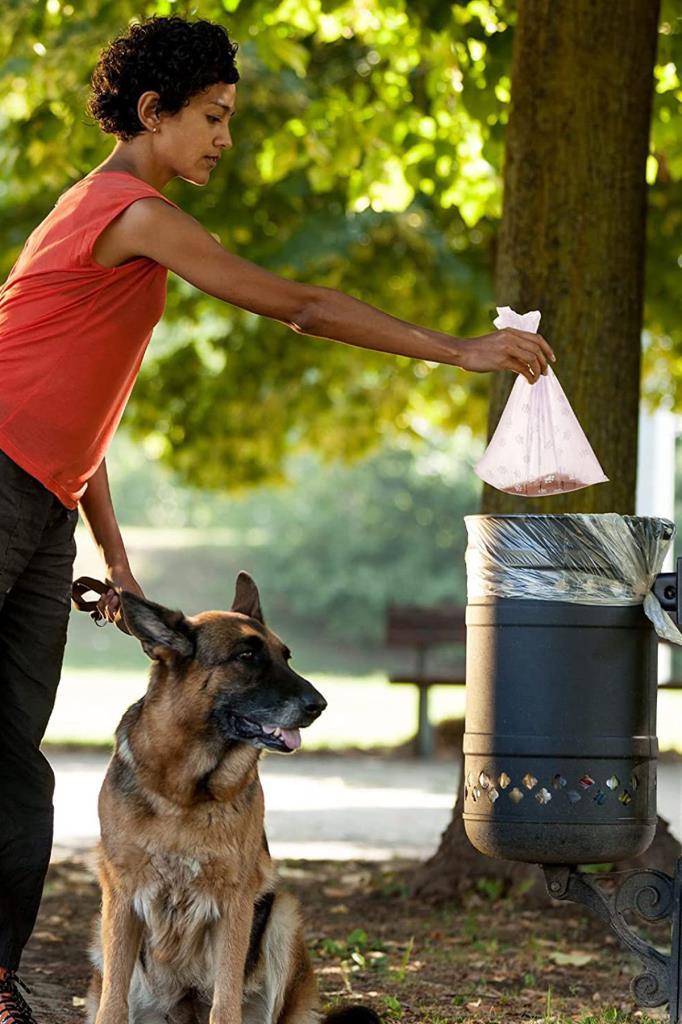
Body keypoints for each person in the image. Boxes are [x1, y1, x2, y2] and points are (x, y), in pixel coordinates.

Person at [0, 13, 555, 1022]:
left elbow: (70, 403)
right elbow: (297, 304)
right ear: (150, 111)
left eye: (229, 119)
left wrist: (113, 551)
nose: (222, 138)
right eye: (209, 117)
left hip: (42, 498)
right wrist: (460, 350)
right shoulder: (125, 208)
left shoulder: (120, 218)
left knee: (11, 754)